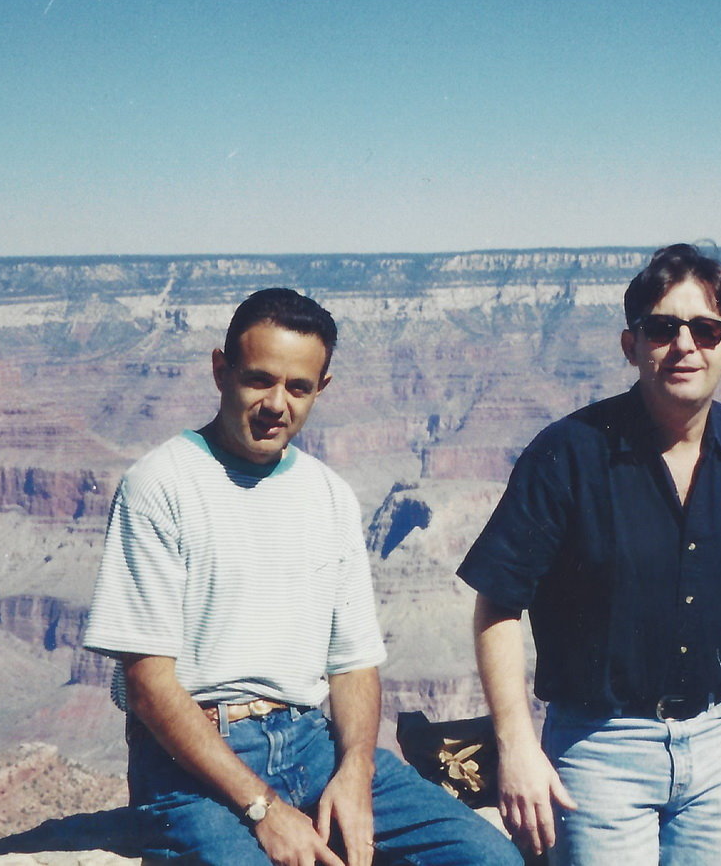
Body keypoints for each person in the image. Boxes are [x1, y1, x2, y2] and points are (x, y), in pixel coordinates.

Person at [83, 288, 518, 866]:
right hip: (194, 763)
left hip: (312, 744)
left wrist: (356, 772)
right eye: (259, 379)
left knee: (488, 860)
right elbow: (148, 684)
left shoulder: (328, 495)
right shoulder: (160, 485)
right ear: (220, 370)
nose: (276, 404)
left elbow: (354, 663)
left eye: (298, 387)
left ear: (322, 389)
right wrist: (263, 808)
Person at [459, 243, 721, 865]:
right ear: (631, 346)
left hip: (719, 744)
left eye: (706, 329)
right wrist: (517, 742)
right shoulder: (567, 457)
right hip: (599, 749)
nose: (685, 345)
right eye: (663, 328)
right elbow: (498, 605)